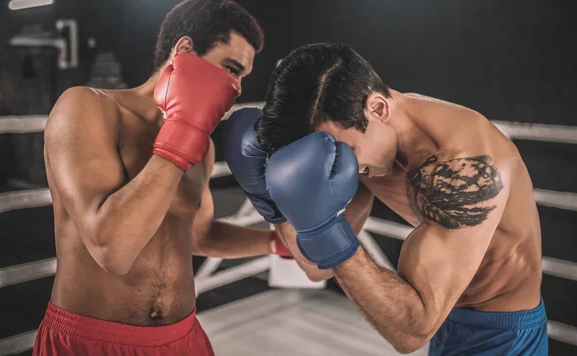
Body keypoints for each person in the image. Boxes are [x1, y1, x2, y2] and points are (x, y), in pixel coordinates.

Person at [224, 43, 547, 355]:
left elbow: (411, 333)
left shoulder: (465, 166)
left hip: (504, 332)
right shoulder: (359, 147)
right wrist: (269, 200)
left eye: (347, 150)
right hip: (445, 316)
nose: (344, 161)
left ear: (377, 108)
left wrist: (325, 234)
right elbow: (315, 266)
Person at [34, 0, 290, 356]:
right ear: (183, 50)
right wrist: (183, 129)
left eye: (243, 77)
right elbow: (113, 250)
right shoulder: (87, 108)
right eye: (230, 69)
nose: (236, 89)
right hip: (92, 342)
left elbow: (200, 236)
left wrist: (277, 243)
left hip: (184, 339)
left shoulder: (201, 146)